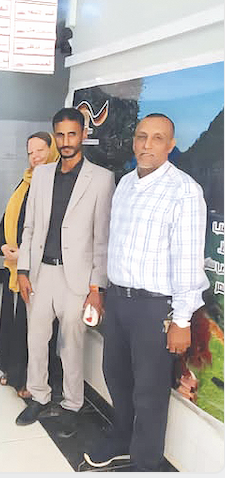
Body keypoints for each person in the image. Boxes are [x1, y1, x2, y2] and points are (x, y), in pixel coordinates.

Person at [83, 114, 209, 472]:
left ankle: (146, 462)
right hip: (119, 301)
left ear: (170, 145)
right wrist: (102, 290)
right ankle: (122, 438)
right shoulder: (125, 184)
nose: (147, 145)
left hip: (155, 308)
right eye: (141, 136)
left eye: (157, 138)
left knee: (150, 391)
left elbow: (187, 260)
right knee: (116, 374)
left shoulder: (184, 191)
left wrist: (181, 320)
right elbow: (114, 244)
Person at [15, 108, 115, 438]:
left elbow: (102, 238)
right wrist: (23, 270)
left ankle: (73, 404)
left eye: (72, 134)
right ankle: (38, 396)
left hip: (77, 278)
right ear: (54, 136)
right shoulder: (42, 174)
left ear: (83, 134)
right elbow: (29, 227)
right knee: (36, 338)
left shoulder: (101, 179)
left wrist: (96, 287)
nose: (66, 141)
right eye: (60, 134)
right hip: (40, 273)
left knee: (71, 344)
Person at [0, 132, 59, 398]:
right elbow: (8, 218)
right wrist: (3, 245)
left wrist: (25, 254)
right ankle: (14, 371)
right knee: (15, 322)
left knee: (34, 327)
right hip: (14, 265)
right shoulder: (26, 181)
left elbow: (55, 231)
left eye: (40, 151)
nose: (35, 157)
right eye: (30, 152)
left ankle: (31, 380)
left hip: (39, 269)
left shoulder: (57, 184)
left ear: (52, 151)